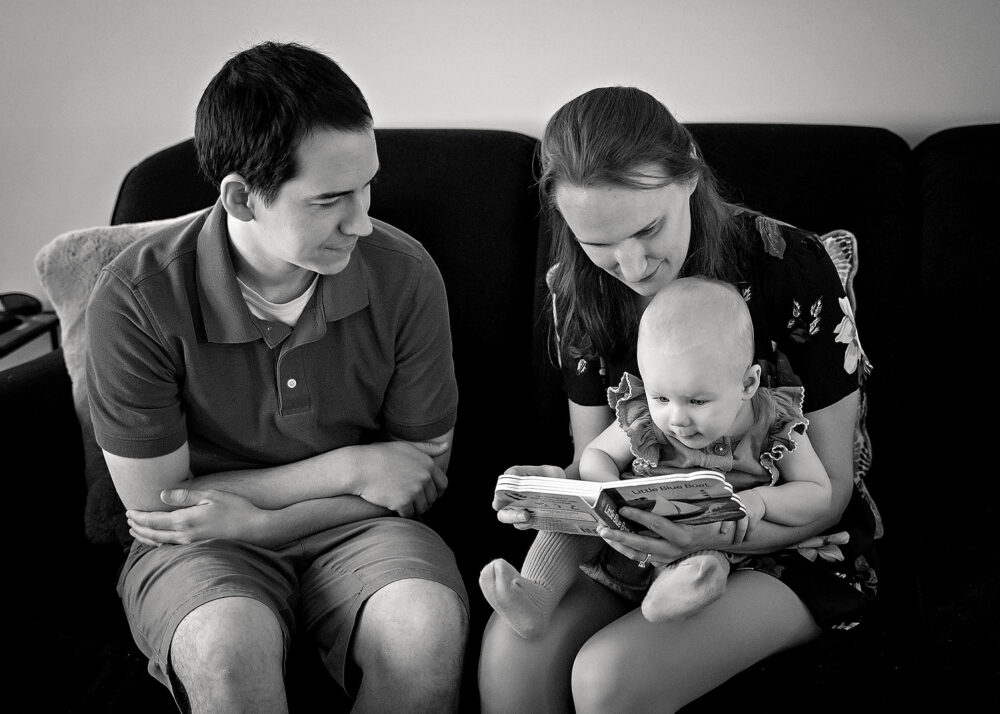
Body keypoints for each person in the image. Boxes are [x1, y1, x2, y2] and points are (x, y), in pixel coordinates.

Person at [85, 42, 467, 712]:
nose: (362, 220)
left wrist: (258, 518)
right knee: (225, 651)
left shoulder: (404, 274)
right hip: (200, 546)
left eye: (366, 185)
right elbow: (158, 508)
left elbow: (417, 475)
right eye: (329, 200)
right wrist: (349, 467)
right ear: (240, 196)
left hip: (358, 530)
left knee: (424, 633)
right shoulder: (137, 297)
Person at [478, 87, 879, 713]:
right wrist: (561, 495)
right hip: (640, 541)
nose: (632, 264)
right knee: (512, 654)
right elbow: (600, 466)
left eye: (648, 228)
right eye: (598, 242)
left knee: (609, 679)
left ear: (689, 173)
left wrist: (706, 536)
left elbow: (830, 492)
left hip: (785, 539)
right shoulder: (577, 290)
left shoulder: (792, 266)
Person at [479, 277, 832, 636]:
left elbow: (818, 493)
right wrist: (607, 487)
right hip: (622, 535)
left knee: (706, 566)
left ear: (747, 384)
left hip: (700, 540)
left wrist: (760, 501)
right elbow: (596, 453)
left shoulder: (773, 422)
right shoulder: (646, 416)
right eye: (661, 397)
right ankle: (537, 598)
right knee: (564, 532)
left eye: (697, 401)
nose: (676, 419)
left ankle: (670, 597)